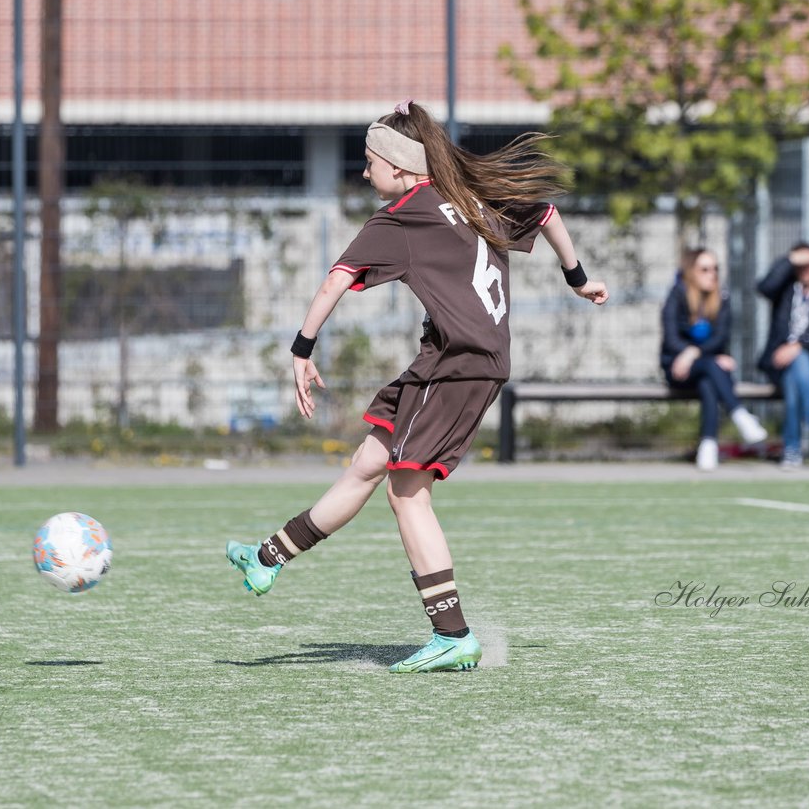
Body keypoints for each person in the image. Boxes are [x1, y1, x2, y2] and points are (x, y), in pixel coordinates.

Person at [224, 100, 608, 673]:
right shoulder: (471, 199)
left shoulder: (405, 214)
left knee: (407, 493)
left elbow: (337, 279)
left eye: (369, 161)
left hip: (459, 363)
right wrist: (576, 278)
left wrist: (302, 351)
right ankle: (267, 557)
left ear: (400, 169)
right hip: (453, 360)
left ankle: (452, 634)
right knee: (367, 462)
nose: (363, 173)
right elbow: (547, 214)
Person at [660, 248, 767, 471]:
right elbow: (671, 340)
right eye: (705, 269)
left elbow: (720, 338)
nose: (712, 274)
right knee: (713, 366)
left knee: (709, 378)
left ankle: (708, 447)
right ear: (691, 272)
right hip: (677, 368)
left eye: (716, 269)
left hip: (705, 366)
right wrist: (690, 354)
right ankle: (739, 415)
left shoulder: (722, 298)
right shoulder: (676, 296)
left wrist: (695, 353)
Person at [756, 242, 809, 469]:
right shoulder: (784, 290)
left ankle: (792, 450)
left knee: (798, 369)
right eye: (803, 265)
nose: (808, 269)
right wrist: (790, 259)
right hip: (778, 364)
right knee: (794, 373)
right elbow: (764, 287)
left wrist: (795, 347)